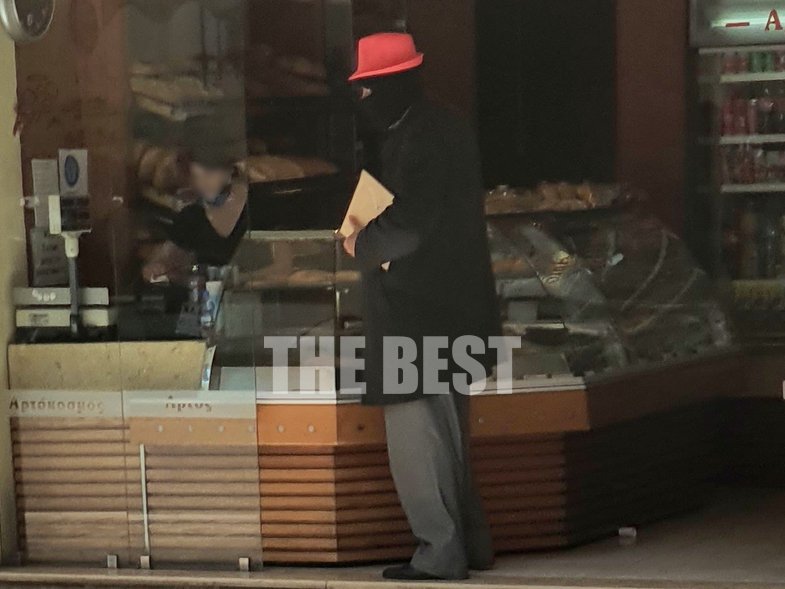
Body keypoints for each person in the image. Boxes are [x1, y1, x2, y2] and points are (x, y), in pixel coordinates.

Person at [342, 32, 502, 581]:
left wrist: (359, 242)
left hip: (414, 316)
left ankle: (439, 553)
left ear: (387, 85)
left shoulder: (416, 138)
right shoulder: (444, 126)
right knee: (451, 438)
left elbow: (409, 224)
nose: (363, 100)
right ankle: (470, 545)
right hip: (454, 309)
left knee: (418, 444)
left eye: (367, 88)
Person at [143, 137, 248, 284]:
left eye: (206, 173)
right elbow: (166, 260)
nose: (201, 183)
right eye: (194, 178)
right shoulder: (191, 217)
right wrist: (158, 268)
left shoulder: (254, 200)